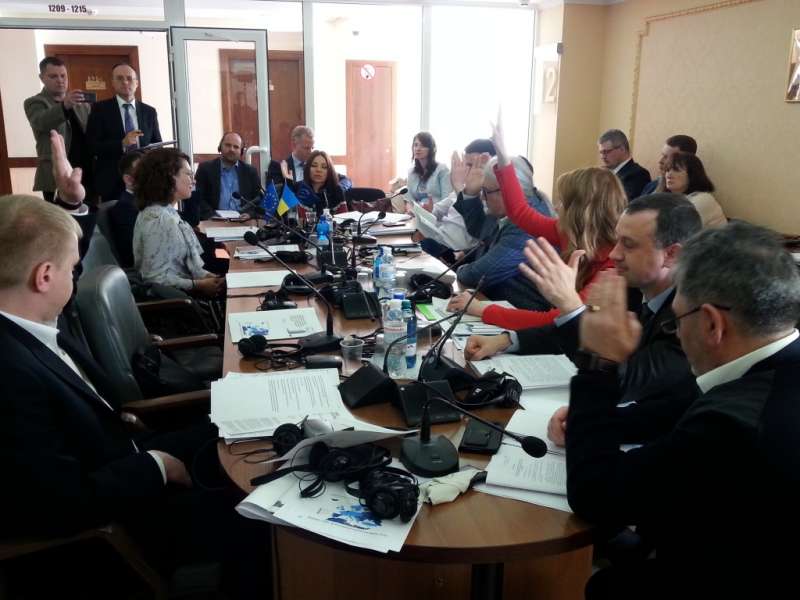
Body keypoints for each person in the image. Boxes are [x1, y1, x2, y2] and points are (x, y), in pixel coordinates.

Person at [0, 195, 269, 598]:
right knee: (267, 512)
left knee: (257, 427)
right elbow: (60, 504)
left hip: (124, 452)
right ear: (44, 277)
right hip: (121, 520)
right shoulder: (10, 375)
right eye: (72, 269)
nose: (76, 277)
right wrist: (155, 466)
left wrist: (73, 204)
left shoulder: (29, 319)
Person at [568, 222, 800, 598]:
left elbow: (595, 494)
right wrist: (606, 421)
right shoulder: (774, 365)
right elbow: (689, 402)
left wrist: (598, 363)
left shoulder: (730, 427)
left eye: (676, 321)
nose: (676, 332)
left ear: (711, 323)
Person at [466, 194, 703, 443]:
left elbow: (623, 383)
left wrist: (570, 307)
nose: (614, 254)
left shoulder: (692, 317)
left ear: (671, 254)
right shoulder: (632, 285)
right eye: (617, 241)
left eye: (629, 245)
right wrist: (506, 340)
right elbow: (583, 330)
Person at [449, 119, 626, 329]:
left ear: (582, 212)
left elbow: (555, 320)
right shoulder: (569, 233)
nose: (557, 207)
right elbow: (520, 213)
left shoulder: (610, 270)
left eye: (563, 202)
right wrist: (503, 161)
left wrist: (484, 310)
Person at [446, 155, 555, 310]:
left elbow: (479, 275)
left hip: (520, 312)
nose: (483, 197)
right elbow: (481, 231)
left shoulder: (528, 225)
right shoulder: (510, 209)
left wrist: (459, 268)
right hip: (492, 301)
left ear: (506, 191)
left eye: (485, 191)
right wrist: (469, 193)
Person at [132, 148, 224, 297]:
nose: (193, 180)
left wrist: (209, 277)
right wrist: (199, 285)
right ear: (170, 177)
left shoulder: (167, 212)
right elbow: (156, 281)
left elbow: (183, 267)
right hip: (176, 304)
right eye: (188, 174)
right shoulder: (158, 220)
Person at [86, 63, 162, 202]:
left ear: (137, 83)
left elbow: (157, 144)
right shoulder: (99, 109)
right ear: (112, 82)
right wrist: (121, 144)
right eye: (120, 78)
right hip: (112, 180)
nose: (125, 82)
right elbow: (92, 146)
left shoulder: (149, 112)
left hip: (144, 178)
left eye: (129, 78)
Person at [415, 138, 497, 261]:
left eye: (472, 165)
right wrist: (429, 210)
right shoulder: (461, 189)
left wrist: (463, 191)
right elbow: (437, 210)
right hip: (438, 238)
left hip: (453, 252)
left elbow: (480, 229)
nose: (467, 170)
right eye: (466, 164)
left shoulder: (491, 197)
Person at [24, 56, 91, 203]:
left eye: (63, 75)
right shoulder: (35, 102)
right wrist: (64, 106)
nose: (60, 80)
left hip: (85, 171)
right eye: (53, 76)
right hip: (56, 173)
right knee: (59, 215)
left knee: (90, 214)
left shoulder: (81, 104)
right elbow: (41, 122)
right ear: (42, 78)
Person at [194, 131, 262, 220]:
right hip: (214, 220)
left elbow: (258, 199)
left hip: (242, 221)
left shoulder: (250, 172)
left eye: (236, 147)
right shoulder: (205, 169)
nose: (231, 149)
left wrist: (250, 214)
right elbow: (198, 198)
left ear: (241, 151)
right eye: (228, 145)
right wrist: (212, 216)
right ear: (220, 147)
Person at [657, 152, 726, 228]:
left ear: (692, 174)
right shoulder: (670, 199)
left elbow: (675, 231)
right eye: (667, 170)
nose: (669, 175)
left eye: (676, 170)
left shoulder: (703, 199)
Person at [105, 149, 143, 269]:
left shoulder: (153, 201)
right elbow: (133, 256)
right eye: (144, 172)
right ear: (128, 179)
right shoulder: (124, 208)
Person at [404, 132, 452, 210]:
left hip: (437, 213)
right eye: (415, 145)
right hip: (417, 213)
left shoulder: (442, 170)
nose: (418, 149)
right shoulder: (411, 172)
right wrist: (411, 211)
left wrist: (431, 211)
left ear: (431, 149)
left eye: (423, 146)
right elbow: (409, 200)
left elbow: (447, 199)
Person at [598, 129, 651, 200]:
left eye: (606, 152)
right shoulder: (604, 173)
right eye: (601, 152)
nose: (603, 157)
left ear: (622, 149)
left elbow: (625, 203)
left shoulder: (639, 174)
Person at [266, 124, 315, 190]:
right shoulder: (278, 167)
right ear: (294, 145)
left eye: (312, 148)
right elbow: (276, 194)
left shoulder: (316, 167)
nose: (311, 152)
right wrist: (288, 179)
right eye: (306, 148)